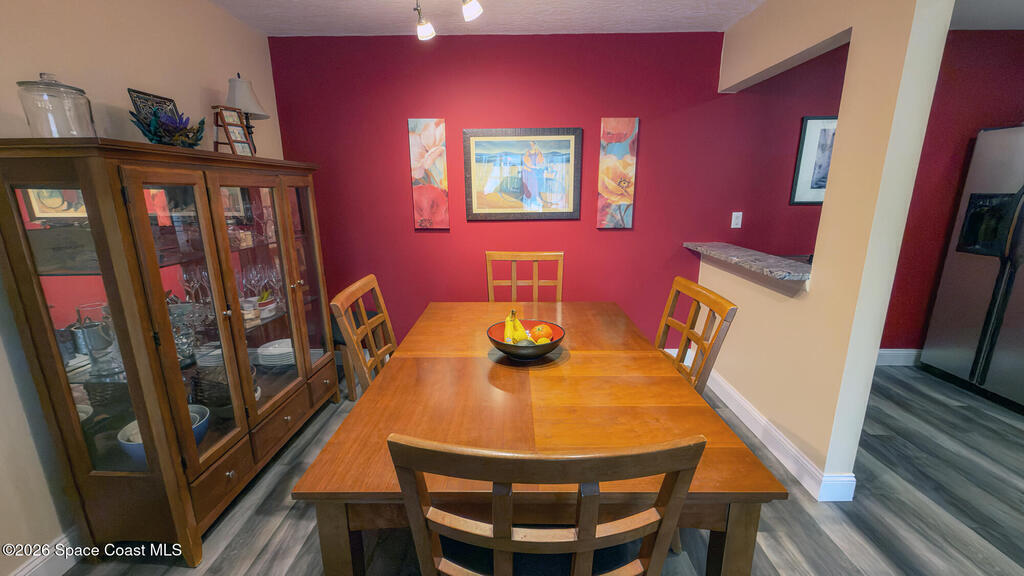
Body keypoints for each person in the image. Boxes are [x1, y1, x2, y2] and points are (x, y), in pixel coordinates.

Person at [520, 141, 546, 211]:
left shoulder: (538, 152)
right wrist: (534, 167)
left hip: (534, 170)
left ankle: (536, 198)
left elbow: (541, 160)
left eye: (532, 144)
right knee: (529, 184)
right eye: (530, 144)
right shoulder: (527, 153)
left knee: (537, 182)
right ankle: (530, 199)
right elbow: (527, 162)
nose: (531, 145)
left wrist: (540, 166)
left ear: (535, 144)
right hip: (527, 170)